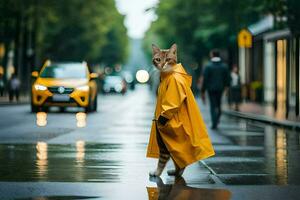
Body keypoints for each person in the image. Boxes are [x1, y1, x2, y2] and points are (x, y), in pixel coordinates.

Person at [147, 44, 215, 177]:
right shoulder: (167, 76)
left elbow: (173, 102)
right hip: (174, 117)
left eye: (168, 61)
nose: (162, 65)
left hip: (172, 118)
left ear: (175, 57)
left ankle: (160, 170)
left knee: (167, 144)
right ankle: (179, 168)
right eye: (158, 60)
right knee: (174, 146)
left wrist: (163, 117)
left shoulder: (174, 78)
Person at [201, 49, 230, 130]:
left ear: (212, 55)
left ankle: (214, 122)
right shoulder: (224, 66)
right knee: (219, 104)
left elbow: (205, 79)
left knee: (213, 106)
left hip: (211, 89)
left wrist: (203, 91)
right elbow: (227, 79)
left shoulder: (208, 66)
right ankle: (217, 118)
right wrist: (227, 88)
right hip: (221, 89)